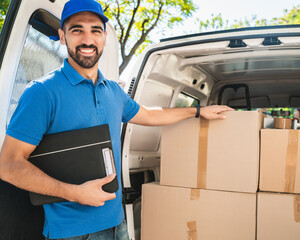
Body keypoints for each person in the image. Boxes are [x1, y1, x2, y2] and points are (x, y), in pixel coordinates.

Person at [0, 0, 233, 239]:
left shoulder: (113, 91)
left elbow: (151, 114)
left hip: (117, 224)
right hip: (72, 233)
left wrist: (197, 111)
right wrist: (74, 193)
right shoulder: (42, 92)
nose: (88, 40)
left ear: (104, 38)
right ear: (62, 36)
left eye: (95, 31)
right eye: (77, 30)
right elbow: (8, 166)